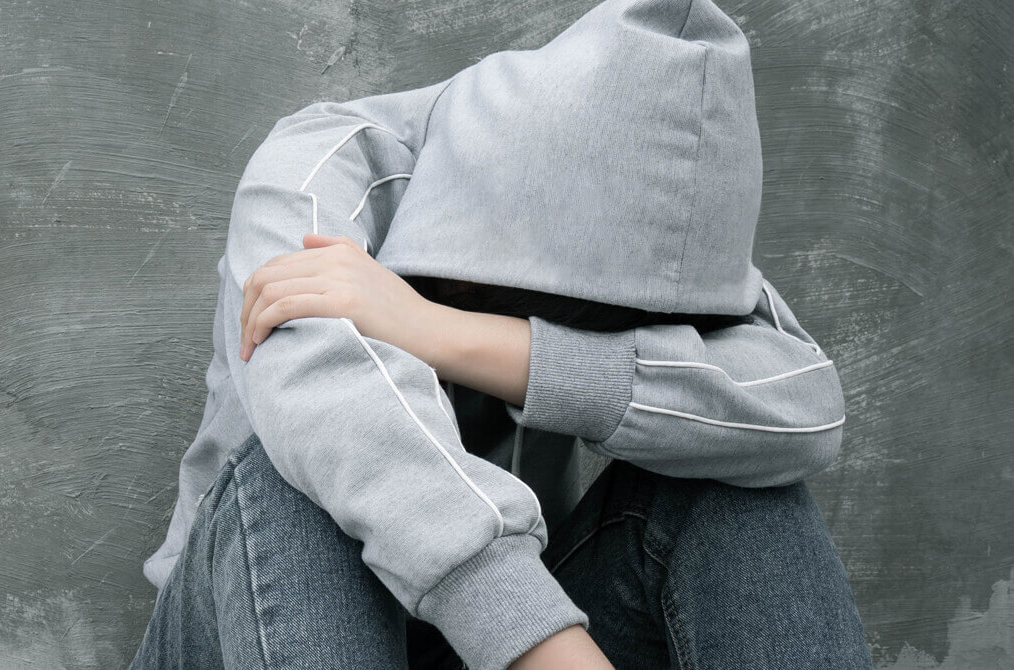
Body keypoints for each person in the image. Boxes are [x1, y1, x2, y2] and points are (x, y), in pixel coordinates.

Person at [127, 0, 871, 668]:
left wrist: (446, 332)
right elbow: (325, 397)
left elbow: (801, 409)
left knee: (742, 484)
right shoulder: (316, 166)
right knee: (295, 478)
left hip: (502, 641)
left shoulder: (648, 225)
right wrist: (541, 645)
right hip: (251, 631)